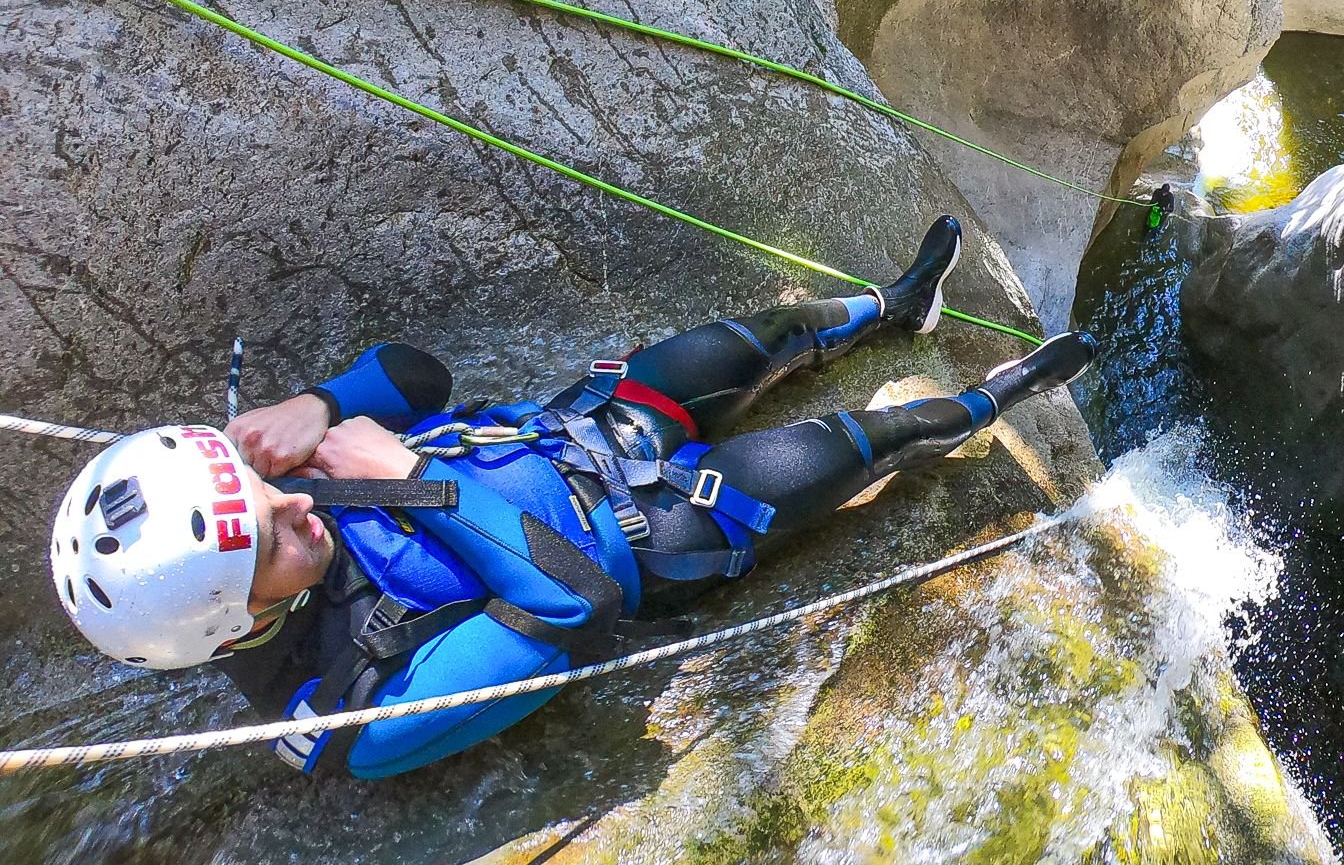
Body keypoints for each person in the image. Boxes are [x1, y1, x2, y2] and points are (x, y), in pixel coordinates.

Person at [48, 217, 1096, 778]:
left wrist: (314, 405)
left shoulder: (256, 515)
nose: (295, 507)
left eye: (263, 491)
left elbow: (419, 380)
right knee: (864, 442)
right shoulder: (353, 714)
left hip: (576, 424)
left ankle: (896, 304)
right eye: (274, 536)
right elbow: (574, 604)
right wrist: (404, 478)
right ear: (237, 620)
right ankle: (992, 397)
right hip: (655, 531)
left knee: (760, 337)